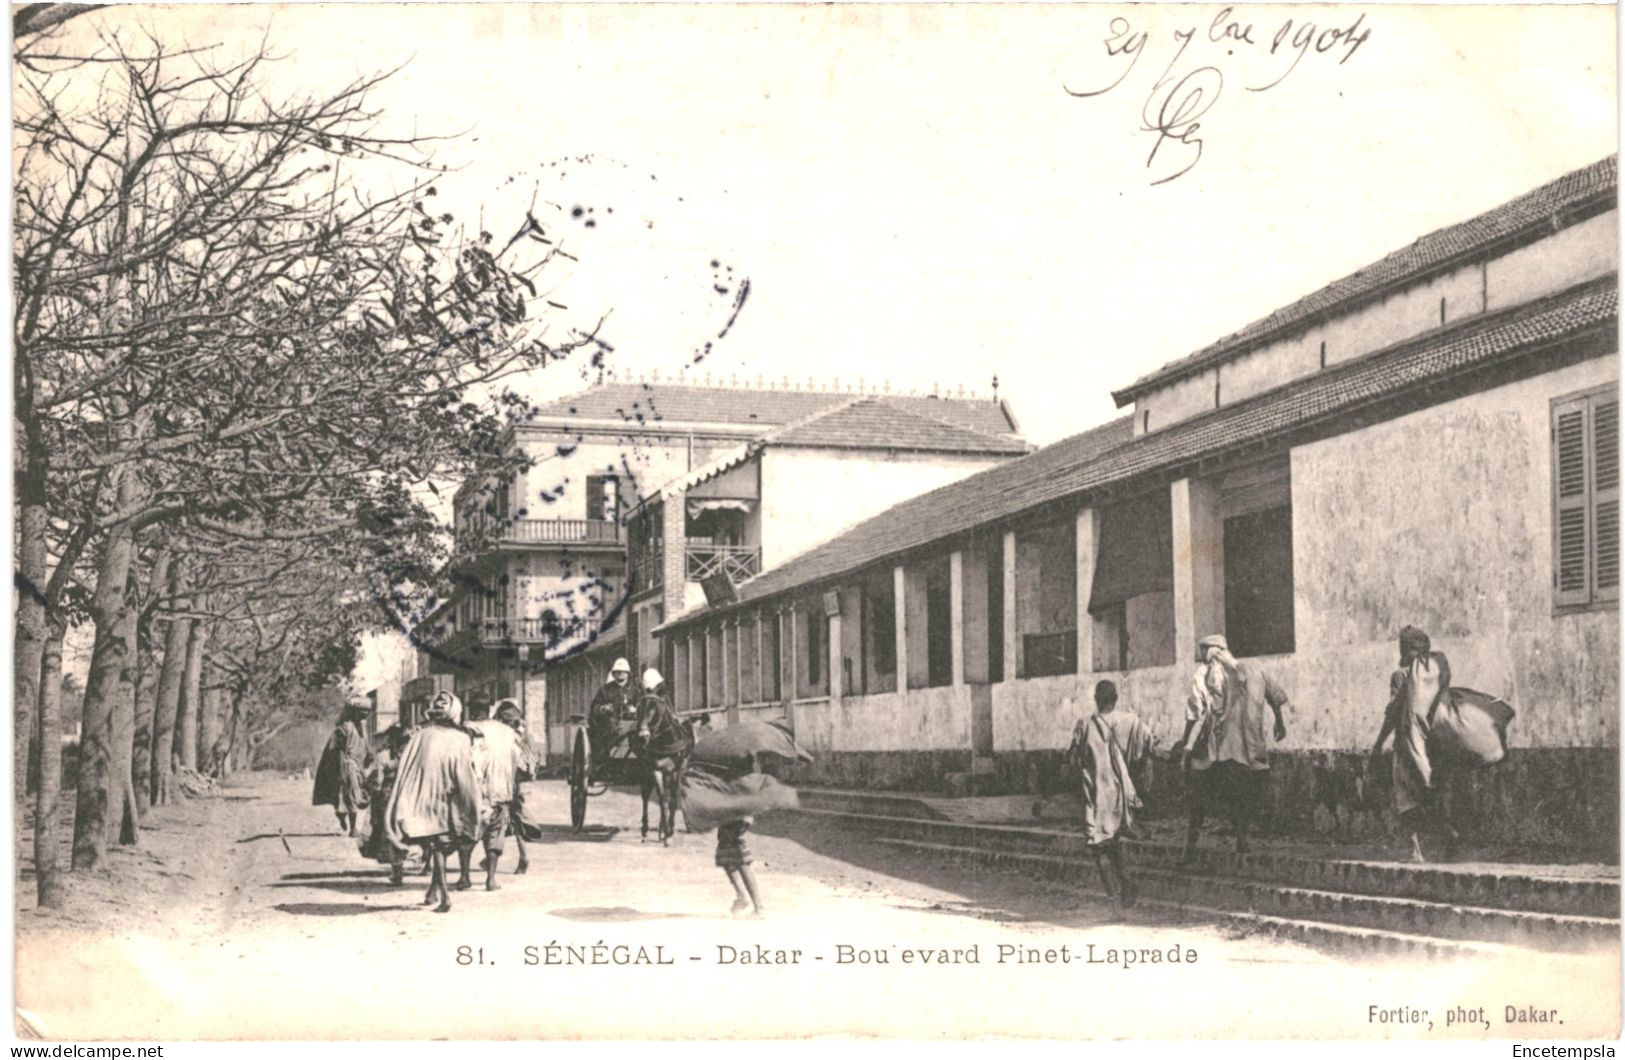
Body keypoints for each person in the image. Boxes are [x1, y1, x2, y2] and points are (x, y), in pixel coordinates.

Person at [1370, 625, 1514, 863]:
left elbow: (1394, 713)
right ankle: (1450, 836)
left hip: (1408, 746)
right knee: (1431, 794)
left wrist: (1378, 744)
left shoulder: (1401, 676)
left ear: (1405, 649)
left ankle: (1416, 851)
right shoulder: (1434, 672)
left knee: (1405, 797)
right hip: (1435, 745)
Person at [1175, 634, 1290, 863]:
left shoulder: (1208, 674)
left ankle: (1189, 849)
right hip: (1251, 751)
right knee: (1241, 797)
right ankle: (1242, 841)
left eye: (1203, 652)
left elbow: (1195, 709)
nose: (1202, 658)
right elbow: (1276, 697)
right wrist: (1280, 722)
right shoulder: (1256, 672)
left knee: (1198, 797)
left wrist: (1185, 742)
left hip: (1220, 750)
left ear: (1212, 652)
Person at [386, 691, 481, 913]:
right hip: (449, 799)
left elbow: (406, 767)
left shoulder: (420, 736)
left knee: (436, 845)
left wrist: (405, 798)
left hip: (423, 797)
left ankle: (434, 891)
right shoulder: (461, 739)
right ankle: (444, 896)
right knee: (440, 845)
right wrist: (472, 802)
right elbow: (465, 774)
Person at [1066, 680, 1155, 913]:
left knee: (1098, 847)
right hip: (1120, 793)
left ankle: (1116, 902)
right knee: (1111, 843)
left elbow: (1074, 759)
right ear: (1115, 699)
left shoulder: (1085, 724)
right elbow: (1151, 744)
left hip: (1096, 795)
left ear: (1096, 700)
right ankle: (1127, 885)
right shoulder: (1130, 721)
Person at [465, 699, 530, 889]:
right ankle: (492, 878)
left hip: (478, 790)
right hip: (505, 789)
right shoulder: (512, 734)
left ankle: (464, 877)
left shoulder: (471, 729)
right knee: (498, 831)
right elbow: (526, 765)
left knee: (470, 832)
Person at [360, 722, 415, 885]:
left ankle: (397, 870)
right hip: (409, 796)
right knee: (408, 829)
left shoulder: (383, 756)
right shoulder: (411, 756)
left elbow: (377, 781)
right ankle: (425, 863)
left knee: (391, 830)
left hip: (388, 797)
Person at [312, 702, 372, 836]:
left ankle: (341, 814)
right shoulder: (346, 727)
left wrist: (368, 753)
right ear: (354, 711)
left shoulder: (363, 727)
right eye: (362, 711)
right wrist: (340, 767)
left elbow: (364, 744)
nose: (365, 714)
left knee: (357, 794)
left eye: (367, 711)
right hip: (348, 763)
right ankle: (353, 829)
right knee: (352, 794)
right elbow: (336, 748)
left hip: (359, 764)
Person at [589, 658, 638, 769]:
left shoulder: (635, 689)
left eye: (623, 671)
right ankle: (605, 762)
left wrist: (635, 708)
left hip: (632, 723)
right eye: (617, 672)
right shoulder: (605, 690)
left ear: (628, 674)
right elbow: (595, 707)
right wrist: (603, 708)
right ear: (613, 674)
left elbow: (642, 703)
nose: (620, 674)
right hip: (610, 725)